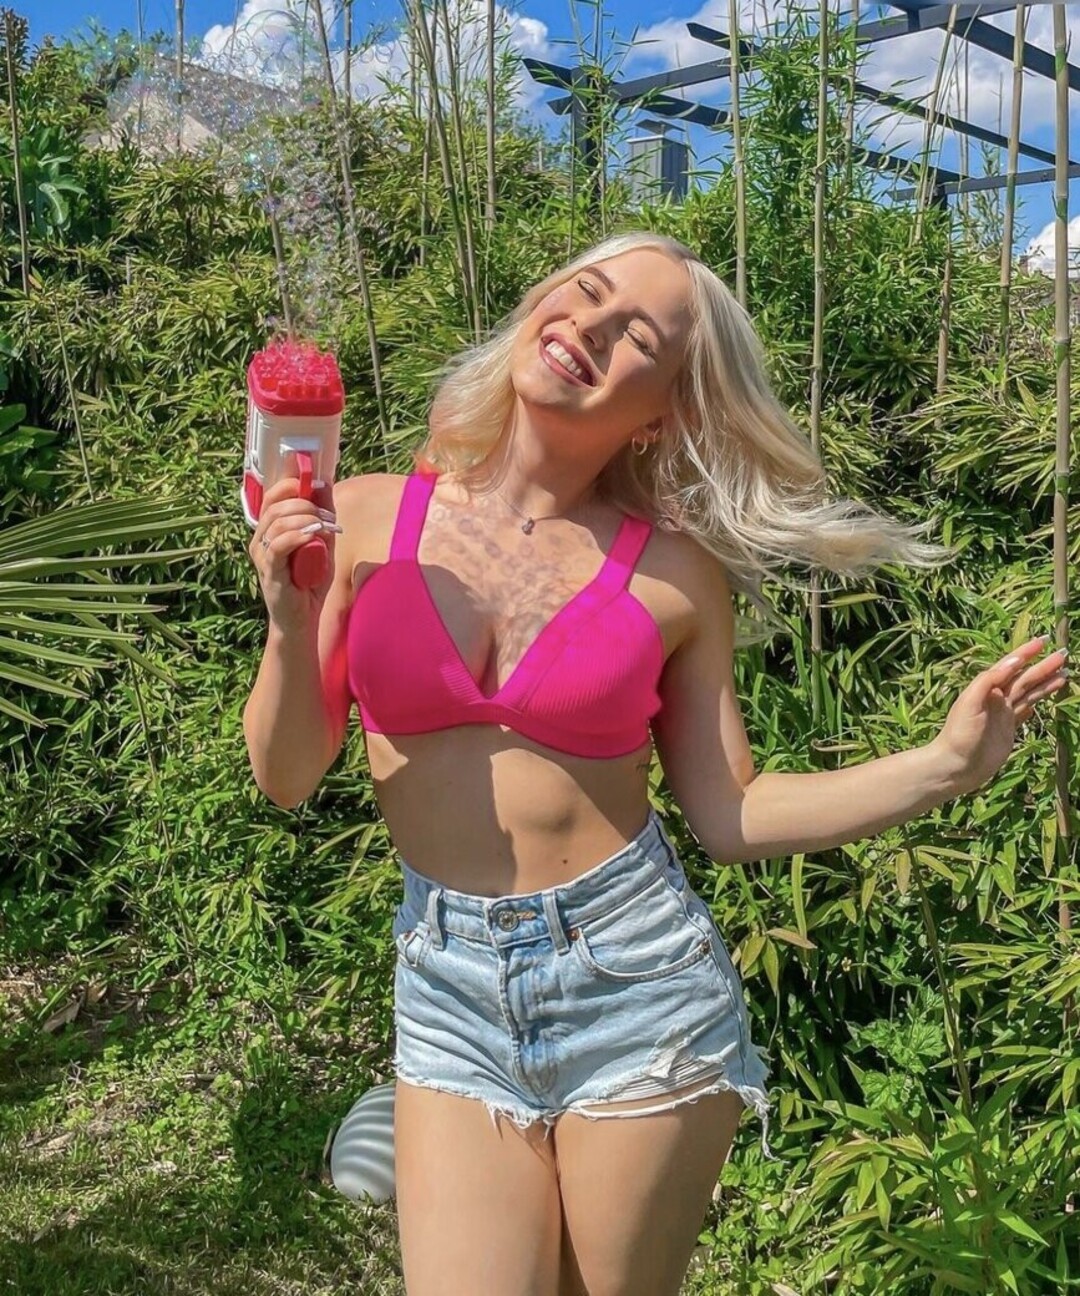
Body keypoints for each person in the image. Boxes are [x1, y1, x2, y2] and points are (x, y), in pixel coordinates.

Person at [243, 230, 1068, 1296]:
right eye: (584, 292)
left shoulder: (674, 574)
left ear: (665, 410)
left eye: (635, 334)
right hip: (447, 984)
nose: (588, 326)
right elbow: (287, 776)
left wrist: (946, 767)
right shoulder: (360, 516)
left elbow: (731, 812)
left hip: (635, 981)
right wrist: (288, 617)